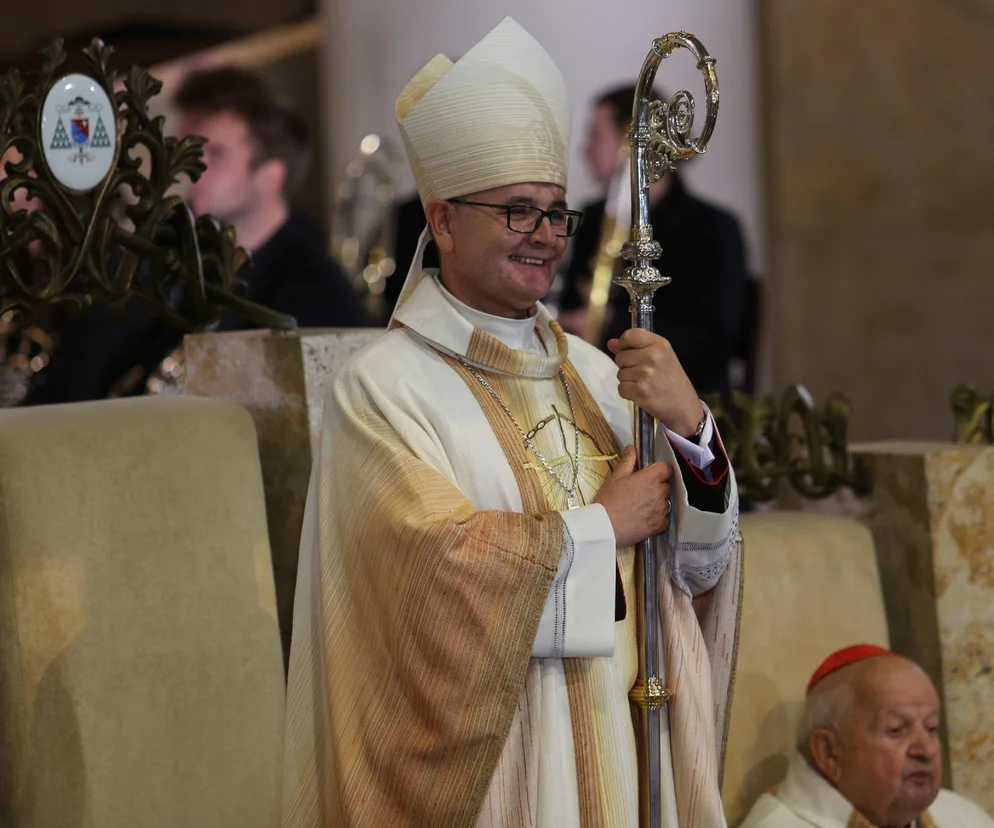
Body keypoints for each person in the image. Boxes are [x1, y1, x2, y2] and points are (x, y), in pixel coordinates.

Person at [282, 18, 740, 828]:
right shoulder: (383, 388)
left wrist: (691, 428)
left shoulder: (600, 375)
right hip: (500, 778)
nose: (547, 238)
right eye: (519, 212)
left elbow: (695, 573)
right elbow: (425, 580)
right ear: (444, 221)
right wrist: (601, 528)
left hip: (624, 751)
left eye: (558, 214)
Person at [558, 84, 751, 400]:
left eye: (595, 136)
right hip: (596, 392)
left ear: (630, 141)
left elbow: (713, 344)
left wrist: (611, 321)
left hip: (686, 401)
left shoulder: (714, 229)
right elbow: (570, 304)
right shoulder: (592, 218)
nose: (584, 149)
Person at [174, 66, 371, 330]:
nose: (194, 170)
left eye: (216, 155)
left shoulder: (316, 292)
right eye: (193, 153)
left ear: (270, 175)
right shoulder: (189, 264)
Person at [740, 645, 994, 828]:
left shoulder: (962, 816)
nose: (927, 750)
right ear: (829, 752)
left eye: (931, 727)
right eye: (896, 730)